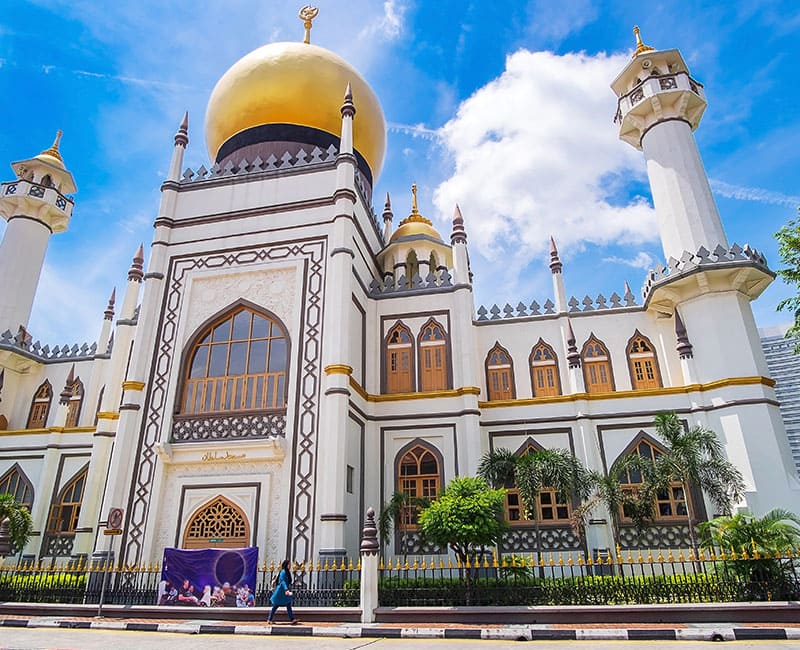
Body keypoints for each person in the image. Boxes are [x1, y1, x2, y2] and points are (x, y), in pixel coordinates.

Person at [267, 559, 297, 624]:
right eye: (289, 564)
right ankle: (269, 619)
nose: (290, 566)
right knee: (275, 605)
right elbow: (282, 581)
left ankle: (292, 619)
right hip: (281, 591)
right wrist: (286, 589)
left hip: (284, 592)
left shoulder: (287, 572)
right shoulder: (283, 572)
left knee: (288, 604)